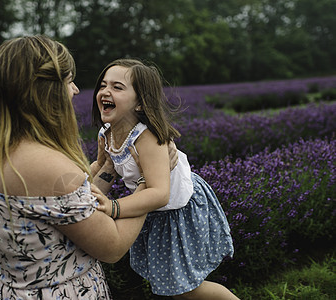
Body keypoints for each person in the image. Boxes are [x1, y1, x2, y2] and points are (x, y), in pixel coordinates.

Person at [0, 35, 154, 299]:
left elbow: (69, 208)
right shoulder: (47, 166)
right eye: (69, 81)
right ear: (45, 92)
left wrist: (106, 167)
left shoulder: (7, 150)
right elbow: (112, 247)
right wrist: (147, 185)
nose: (76, 90)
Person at [91, 58, 238, 299]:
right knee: (171, 286)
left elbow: (160, 194)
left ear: (140, 103)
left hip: (178, 212)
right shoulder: (107, 133)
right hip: (154, 211)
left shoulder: (147, 138)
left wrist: (113, 207)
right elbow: (107, 169)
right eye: (103, 85)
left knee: (186, 289)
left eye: (117, 87)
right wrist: (91, 192)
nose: (106, 91)